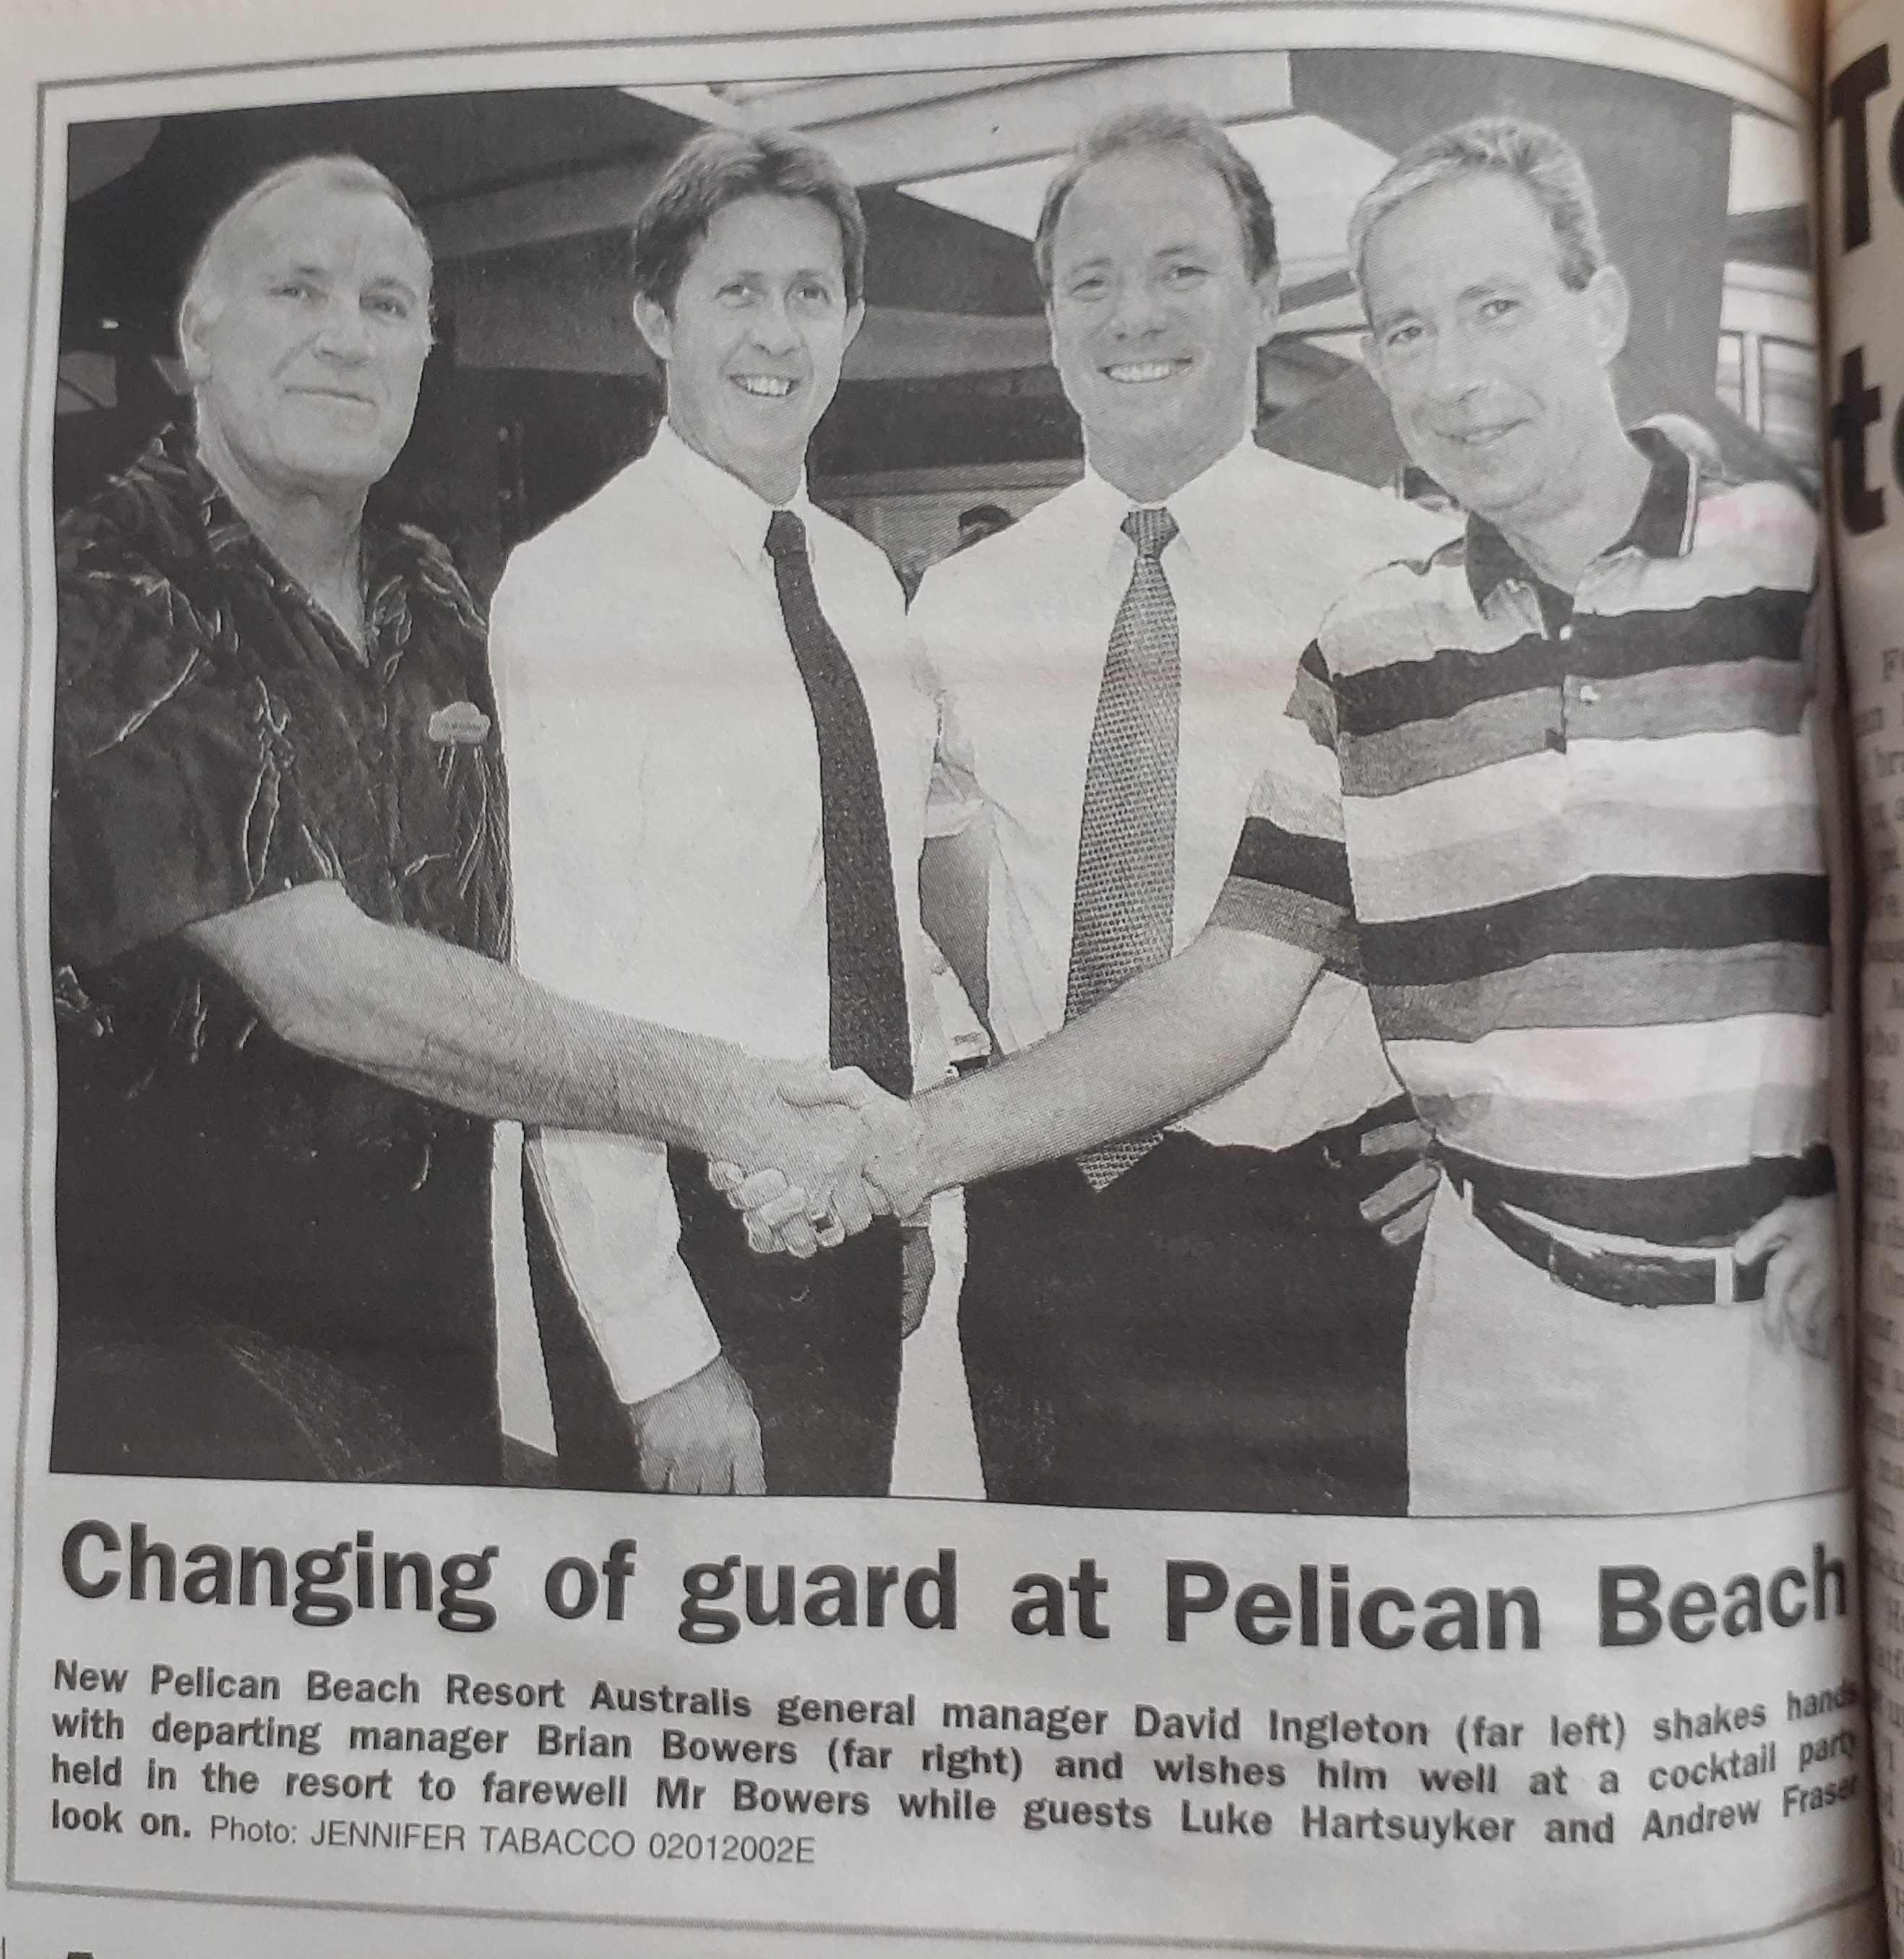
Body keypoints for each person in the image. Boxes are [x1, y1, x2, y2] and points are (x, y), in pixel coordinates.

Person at [749, 116, 1841, 1517]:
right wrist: (912, 1139)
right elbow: (1214, 975)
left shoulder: (1740, 560)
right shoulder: (1375, 638)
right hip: (1081, 1220)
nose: (1453, 376)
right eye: (1407, 332)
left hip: (1347, 1233)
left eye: (1494, 308)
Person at [50, 154, 898, 1487]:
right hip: (180, 1359)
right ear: (192, 338)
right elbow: (323, 981)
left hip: (432, 1330)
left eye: (390, 306)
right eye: (297, 291)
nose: (347, 336)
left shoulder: (432, 593)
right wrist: (722, 1105)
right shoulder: (99, 590)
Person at [901, 106, 1452, 1512]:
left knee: (1305, 1687)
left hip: (1311, 1232)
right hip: (1042, 1224)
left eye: (1181, 269)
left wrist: (1487, 1122)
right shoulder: (963, 604)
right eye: (1088, 281)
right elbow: (948, 894)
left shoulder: (1398, 569)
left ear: (1266, 295)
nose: (1129, 313)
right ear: (1048, 318)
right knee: (1065, 1680)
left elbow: (1532, 883)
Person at [488, 129, 942, 1498]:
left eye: (811, 295)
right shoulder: (575, 585)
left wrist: (908, 1190)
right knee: (669, 1679)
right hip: (667, 1220)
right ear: (654, 318)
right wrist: (660, 1352)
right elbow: (559, 1006)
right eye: (734, 292)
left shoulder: (865, 586)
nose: (776, 334)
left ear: (852, 323)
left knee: (822, 1661)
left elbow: (883, 913)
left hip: (845, 1198)